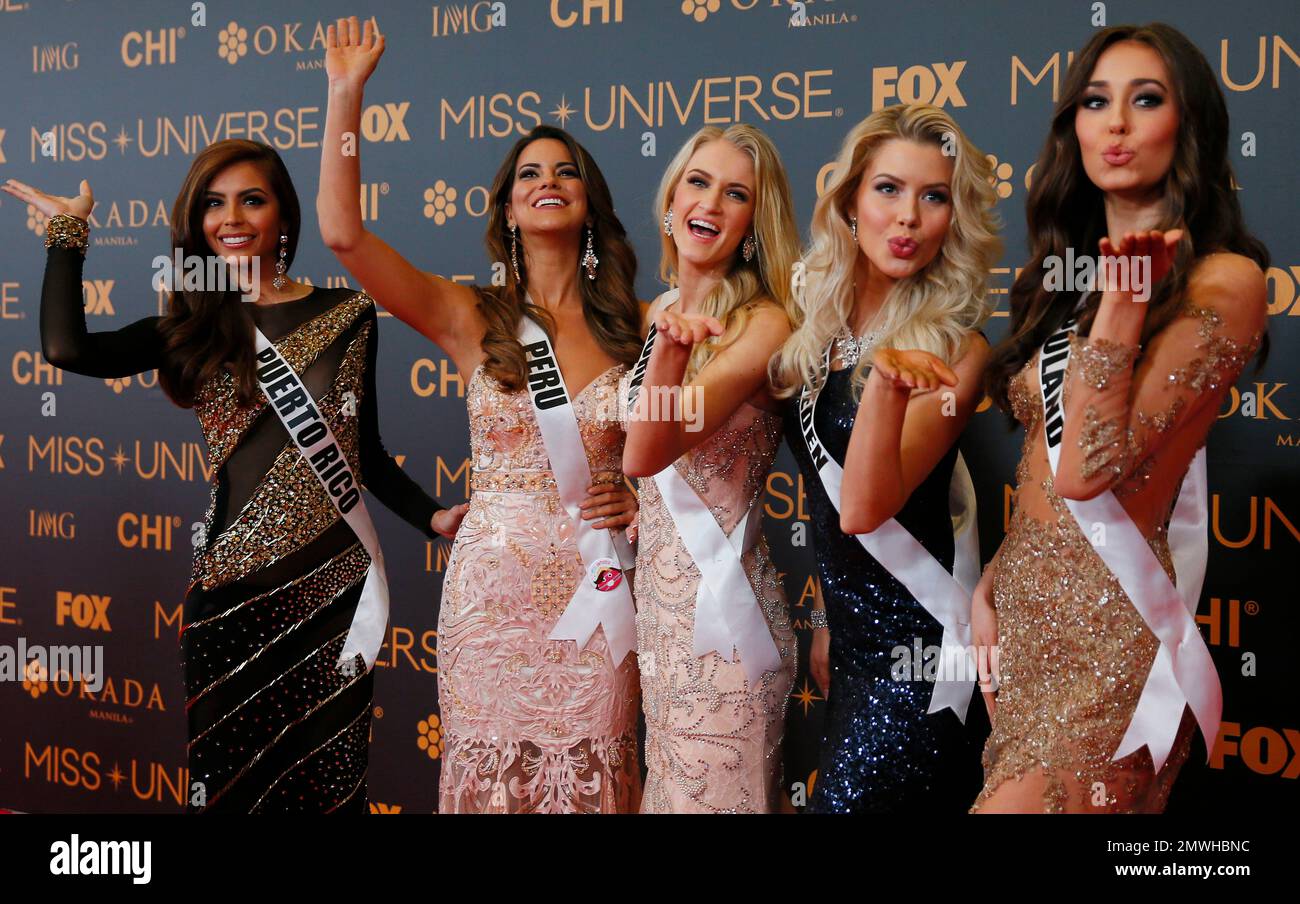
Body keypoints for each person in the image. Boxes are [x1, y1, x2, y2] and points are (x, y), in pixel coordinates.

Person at [4, 138, 462, 813]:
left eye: (253, 198)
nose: (233, 217)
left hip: (332, 593)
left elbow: (361, 449)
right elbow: (67, 348)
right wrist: (67, 236)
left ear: (283, 215)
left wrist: (431, 516)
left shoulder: (349, 315)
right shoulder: (191, 324)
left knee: (329, 786)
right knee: (231, 790)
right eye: (215, 204)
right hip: (229, 596)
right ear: (197, 222)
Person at [318, 16, 643, 812]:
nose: (547, 180)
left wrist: (643, 503)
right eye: (528, 172)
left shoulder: (640, 325)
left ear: (590, 203)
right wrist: (345, 95)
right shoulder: (471, 315)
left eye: (565, 171)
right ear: (505, 208)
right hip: (490, 599)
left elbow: (688, 452)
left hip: (596, 591)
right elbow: (343, 234)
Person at [973, 23, 1268, 813]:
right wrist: (994, 584)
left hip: (1109, 633)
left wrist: (1127, 302)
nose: (1117, 122)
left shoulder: (1225, 279)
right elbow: (1043, 461)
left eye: (1146, 99)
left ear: (1190, 125)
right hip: (1027, 626)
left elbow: (1086, 469)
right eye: (1096, 101)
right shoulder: (1063, 280)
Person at [771, 104, 1000, 812]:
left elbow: (866, 509)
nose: (908, 218)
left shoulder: (959, 350)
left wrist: (890, 387)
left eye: (935, 198)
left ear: (953, 223)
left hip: (921, 659)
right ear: (848, 204)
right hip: (849, 647)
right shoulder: (812, 332)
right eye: (889, 190)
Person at [622, 124, 801, 813]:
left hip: (726, 627)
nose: (712, 203)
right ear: (672, 200)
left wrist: (669, 355)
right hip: (658, 626)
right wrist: (628, 500)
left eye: (737, 194)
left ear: (754, 224)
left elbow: (651, 448)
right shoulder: (655, 313)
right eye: (699, 182)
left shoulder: (764, 324)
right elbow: (634, 465)